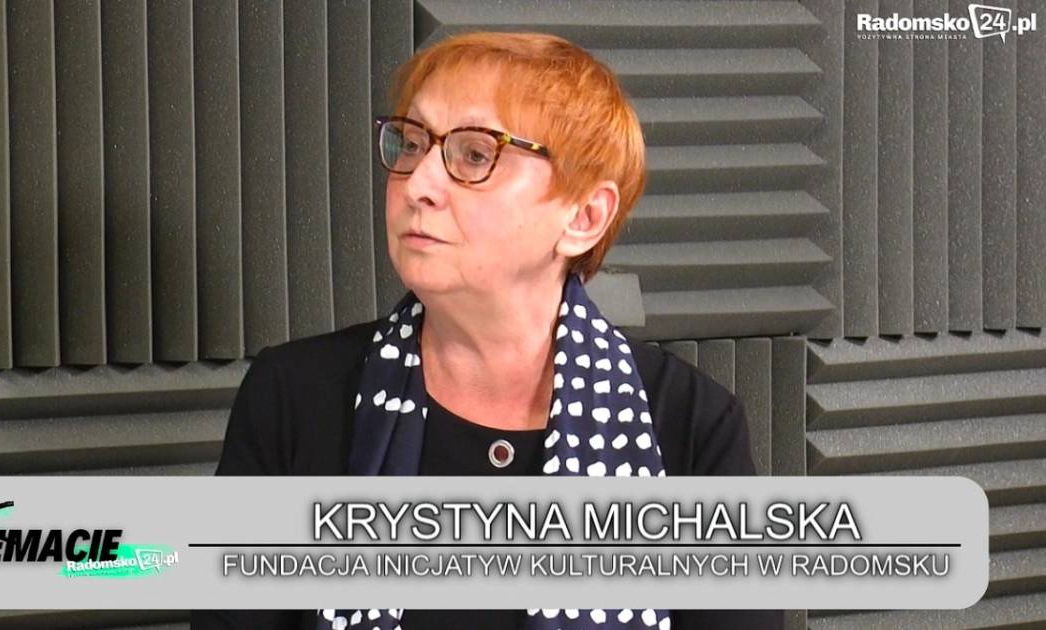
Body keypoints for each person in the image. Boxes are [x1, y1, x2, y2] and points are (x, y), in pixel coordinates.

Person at [193, 32, 781, 630]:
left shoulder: (689, 426)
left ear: (584, 217)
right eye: (413, 143)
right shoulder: (293, 396)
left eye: (475, 154)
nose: (417, 185)